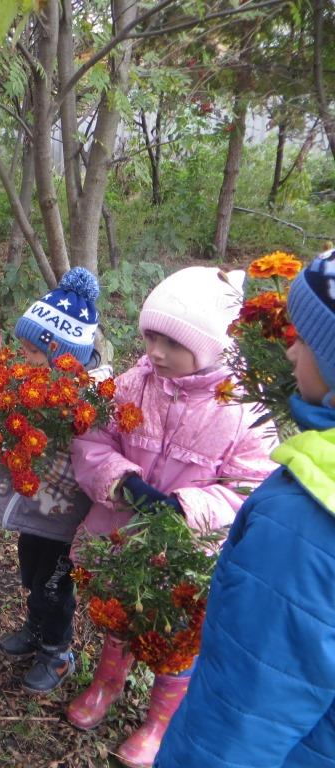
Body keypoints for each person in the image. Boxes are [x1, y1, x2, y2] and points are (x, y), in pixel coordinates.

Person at [67, 265, 278, 767]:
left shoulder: (244, 409)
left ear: (208, 346)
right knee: (120, 613)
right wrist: (121, 479)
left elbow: (251, 488)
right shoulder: (133, 384)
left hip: (187, 554)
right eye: (150, 337)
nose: (155, 352)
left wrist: (185, 508)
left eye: (171, 343)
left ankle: (161, 721)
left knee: (175, 635)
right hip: (123, 535)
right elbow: (93, 439)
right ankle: (107, 684)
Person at [154, 250, 335, 768]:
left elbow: (240, 715)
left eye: (306, 340)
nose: (289, 351)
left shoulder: (303, 521)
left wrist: (184, 505)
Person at [0, 267, 112, 693]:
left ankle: (57, 654)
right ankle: (35, 628)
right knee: (32, 572)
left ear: (65, 357)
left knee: (55, 585)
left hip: (68, 516)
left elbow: (95, 459)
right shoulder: (36, 388)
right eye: (23, 349)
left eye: (34, 352)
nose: (25, 359)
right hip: (38, 507)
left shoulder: (91, 403)